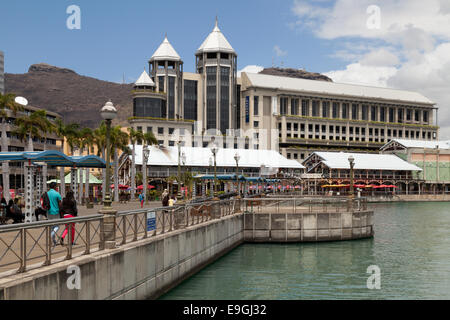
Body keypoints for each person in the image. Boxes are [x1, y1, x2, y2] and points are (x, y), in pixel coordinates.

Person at [47, 182, 62, 246]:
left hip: (48, 212)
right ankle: (52, 235)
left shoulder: (46, 194)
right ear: (55, 186)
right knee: (57, 226)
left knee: (51, 226)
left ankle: (53, 241)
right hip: (56, 212)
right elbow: (60, 204)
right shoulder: (57, 194)